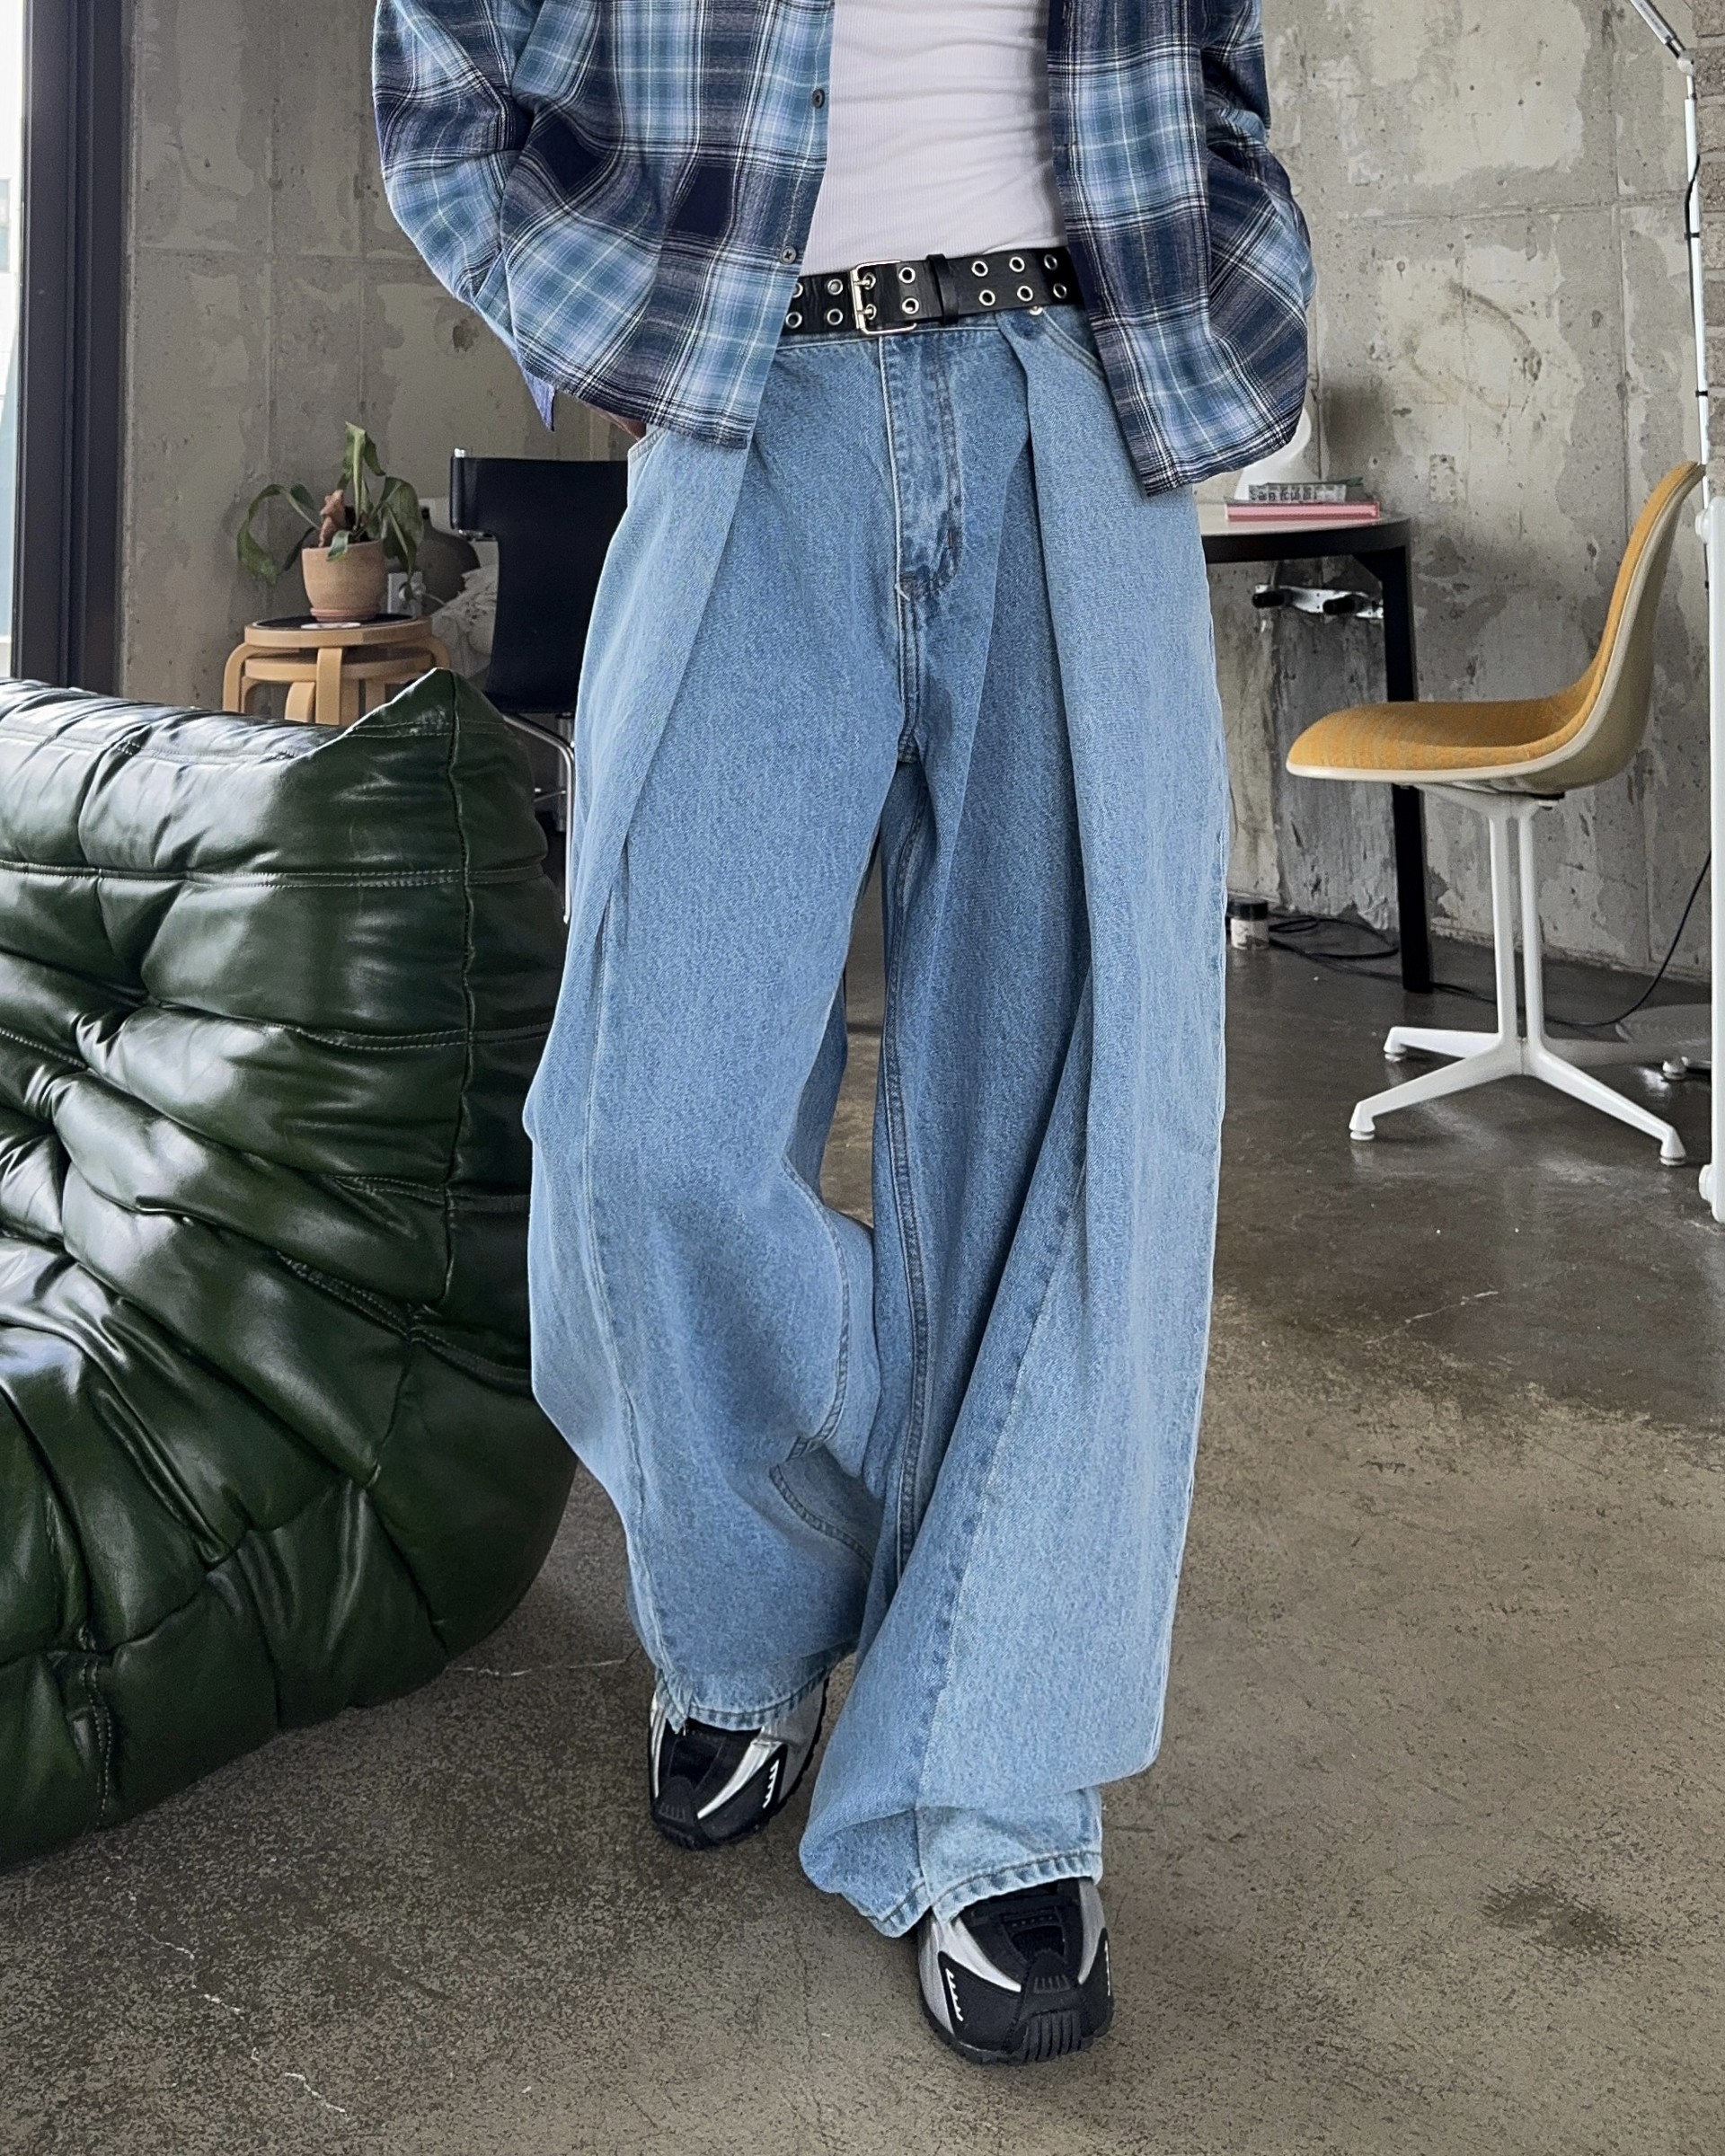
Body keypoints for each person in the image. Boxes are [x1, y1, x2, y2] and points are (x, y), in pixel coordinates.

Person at [375, 0, 1312, 2067]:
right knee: (644, 1130)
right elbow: (438, 81)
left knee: (1070, 1124)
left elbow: (1217, 76)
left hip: (1074, 398)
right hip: (747, 405)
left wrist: (1227, 307)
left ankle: (1001, 1781)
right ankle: (766, 1608)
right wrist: (630, 327)